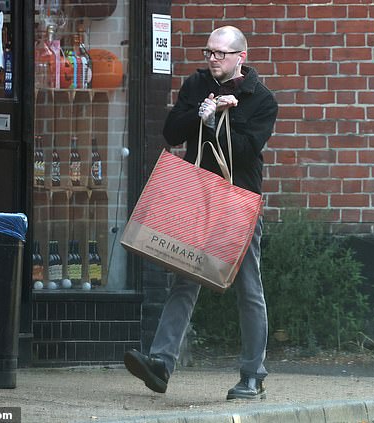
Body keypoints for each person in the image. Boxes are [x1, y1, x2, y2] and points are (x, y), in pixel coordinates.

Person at [124, 25, 278, 400]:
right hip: (196, 196)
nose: (211, 59)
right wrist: (200, 113)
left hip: (238, 202)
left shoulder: (261, 100)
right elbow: (171, 132)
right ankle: (161, 364)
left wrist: (216, 122)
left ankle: (253, 375)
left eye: (220, 54)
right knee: (184, 278)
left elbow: (244, 151)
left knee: (248, 288)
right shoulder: (196, 85)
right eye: (208, 52)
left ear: (241, 57)